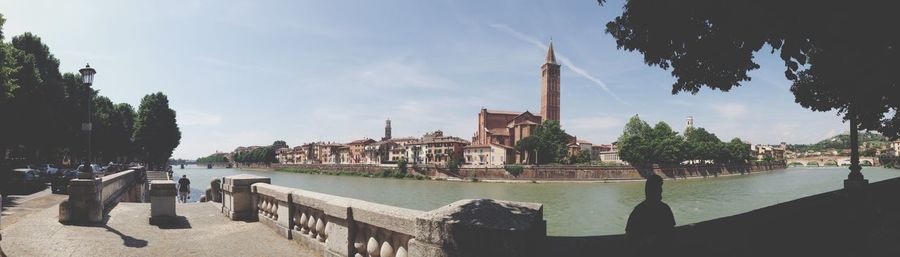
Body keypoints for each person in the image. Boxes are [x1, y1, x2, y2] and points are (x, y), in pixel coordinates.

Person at [625, 174, 675, 256]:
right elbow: (671, 233)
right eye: (659, 188)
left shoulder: (638, 210)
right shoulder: (665, 209)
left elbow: (629, 236)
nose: (661, 190)